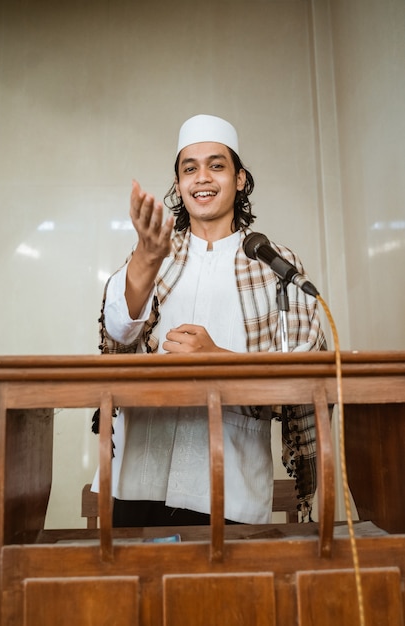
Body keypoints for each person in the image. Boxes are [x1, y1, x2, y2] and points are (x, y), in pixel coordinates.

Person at [91, 114, 327, 527]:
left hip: (230, 486)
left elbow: (302, 376)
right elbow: (117, 334)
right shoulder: (154, 254)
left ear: (239, 179)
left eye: (217, 165)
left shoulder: (276, 263)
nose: (203, 177)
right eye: (190, 168)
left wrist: (218, 358)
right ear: (179, 185)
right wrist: (146, 259)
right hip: (139, 475)